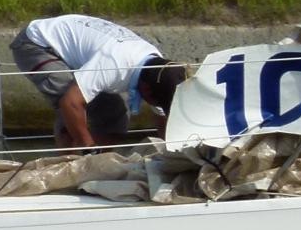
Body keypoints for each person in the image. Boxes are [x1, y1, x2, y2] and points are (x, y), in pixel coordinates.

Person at [11, 14, 188, 150]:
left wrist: (172, 152)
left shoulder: (158, 68)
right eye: (158, 101)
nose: (158, 105)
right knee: (71, 106)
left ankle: (100, 167)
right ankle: (71, 169)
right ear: (146, 90)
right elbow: (70, 103)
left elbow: (163, 119)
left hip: (81, 48)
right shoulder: (115, 63)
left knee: (115, 113)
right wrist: (88, 148)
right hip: (37, 43)